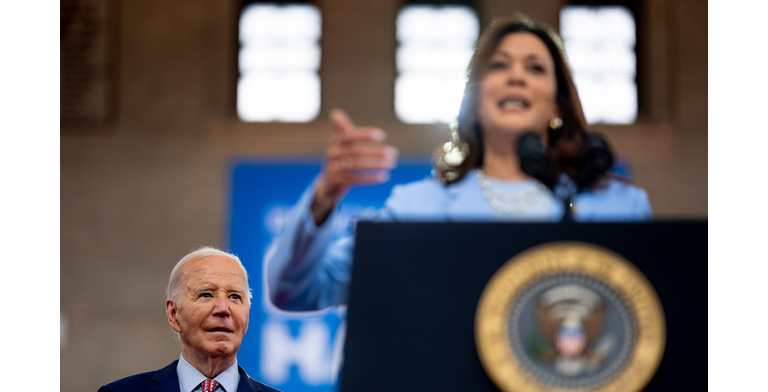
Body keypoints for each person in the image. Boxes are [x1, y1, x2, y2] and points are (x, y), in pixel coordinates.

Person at [264, 14, 651, 312]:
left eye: (534, 68)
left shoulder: (618, 207)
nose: (516, 76)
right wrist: (326, 194)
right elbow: (295, 291)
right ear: (475, 101)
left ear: (557, 105)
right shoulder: (416, 209)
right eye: (499, 66)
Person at [87, 247, 311, 392]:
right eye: (206, 294)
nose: (223, 309)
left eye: (235, 297)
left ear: (248, 314)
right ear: (174, 314)